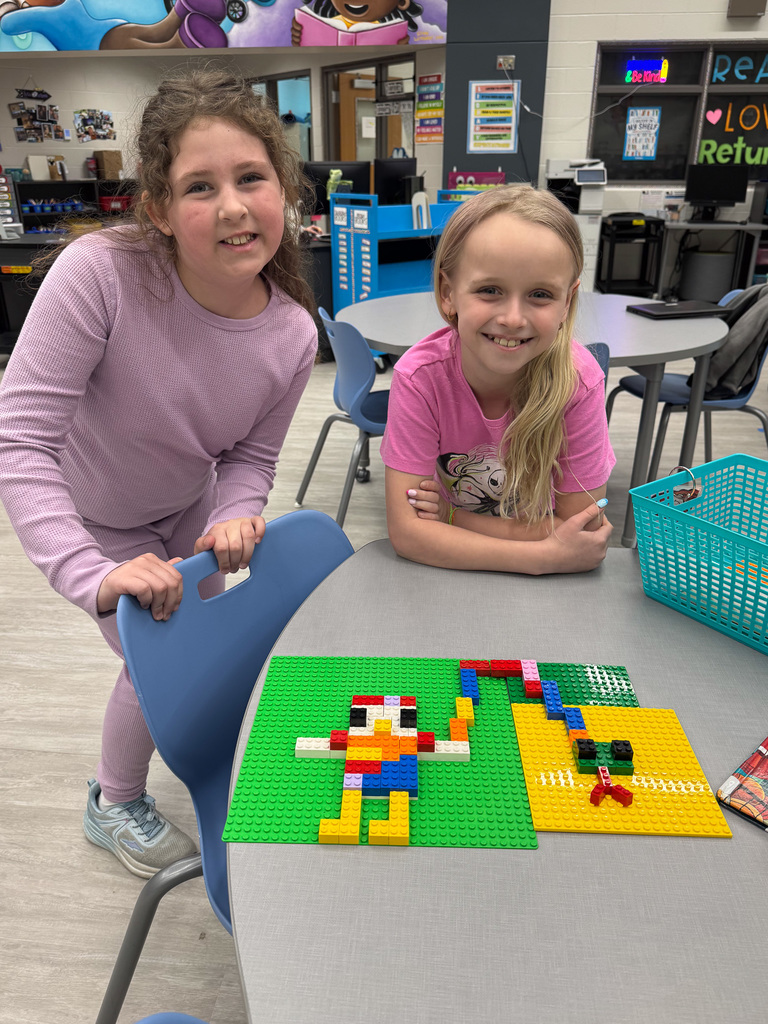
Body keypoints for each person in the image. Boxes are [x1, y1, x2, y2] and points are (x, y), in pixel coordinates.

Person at [0, 68, 318, 877]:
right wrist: (91, 574)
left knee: (212, 653)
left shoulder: (291, 332)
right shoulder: (100, 274)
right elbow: (21, 442)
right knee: (159, 665)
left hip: (185, 509)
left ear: (285, 188)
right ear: (159, 211)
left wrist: (236, 512)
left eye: (252, 177)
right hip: (98, 519)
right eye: (199, 187)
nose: (235, 207)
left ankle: (209, 756)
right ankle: (113, 801)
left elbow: (249, 457)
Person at [381, 184, 615, 575]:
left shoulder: (579, 383)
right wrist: (543, 555)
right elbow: (408, 534)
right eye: (490, 290)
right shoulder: (419, 379)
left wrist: (453, 518)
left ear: (567, 303)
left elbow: (582, 531)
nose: (512, 318)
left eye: (540, 294)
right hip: (442, 585)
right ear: (447, 293)